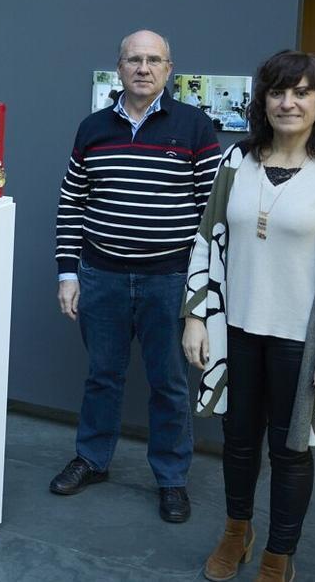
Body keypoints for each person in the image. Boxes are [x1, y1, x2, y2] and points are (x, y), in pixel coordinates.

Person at [182, 51, 315, 582]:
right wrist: (196, 316)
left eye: (301, 92)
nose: (288, 102)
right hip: (238, 329)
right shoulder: (235, 161)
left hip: (303, 338)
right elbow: (206, 241)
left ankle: (278, 554)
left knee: (290, 452)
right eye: (277, 92)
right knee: (238, 442)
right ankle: (235, 532)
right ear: (262, 101)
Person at [51, 29, 221, 523]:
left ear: (169, 70)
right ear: (119, 67)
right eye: (133, 60)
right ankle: (93, 458)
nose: (143, 68)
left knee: (169, 382)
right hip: (100, 275)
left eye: (154, 60)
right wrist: (68, 273)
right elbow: (71, 203)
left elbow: (212, 216)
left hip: (168, 280)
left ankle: (171, 478)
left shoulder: (195, 127)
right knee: (102, 376)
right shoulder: (93, 128)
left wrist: (200, 294)